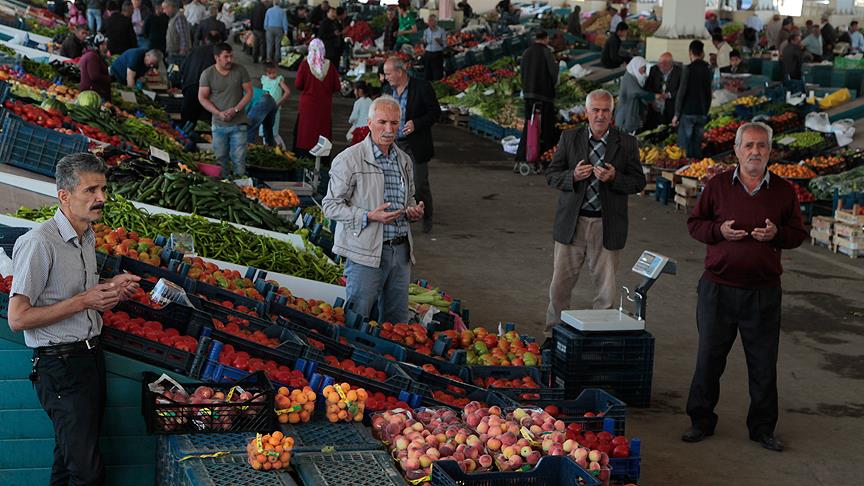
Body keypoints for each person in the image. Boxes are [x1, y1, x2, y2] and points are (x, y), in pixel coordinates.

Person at [8, 152, 140, 486]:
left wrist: (110, 289)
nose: (101, 199)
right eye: (91, 191)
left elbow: (76, 296)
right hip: (60, 366)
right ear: (64, 196)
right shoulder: (39, 243)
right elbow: (18, 318)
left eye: (103, 189)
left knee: (69, 462)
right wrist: (85, 300)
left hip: (88, 358)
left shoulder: (87, 236)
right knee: (87, 471)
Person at [683, 121, 806, 452]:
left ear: (770, 152)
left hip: (763, 292)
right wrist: (719, 231)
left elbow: (798, 233)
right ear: (736, 150)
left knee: (763, 363)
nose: (755, 151)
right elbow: (695, 224)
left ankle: (763, 428)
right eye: (748, 145)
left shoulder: (783, 191)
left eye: (761, 146)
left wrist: (776, 235)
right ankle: (701, 420)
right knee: (709, 358)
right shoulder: (718, 186)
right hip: (718, 289)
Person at [542, 89, 646, 342]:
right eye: (595, 110)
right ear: (586, 112)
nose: (600, 115)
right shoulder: (570, 138)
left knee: (606, 292)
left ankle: (600, 340)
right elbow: (551, 174)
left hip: (606, 225)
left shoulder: (627, 143)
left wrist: (615, 178)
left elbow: (638, 182)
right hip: (572, 224)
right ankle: (552, 336)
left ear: (612, 113)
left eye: (605, 110)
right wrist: (573, 177)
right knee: (560, 288)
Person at [322, 96, 425, 324]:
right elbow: (330, 206)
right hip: (365, 253)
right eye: (382, 122)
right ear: (369, 123)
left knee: (396, 322)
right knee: (358, 316)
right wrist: (368, 216)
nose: (389, 129)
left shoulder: (404, 160)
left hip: (400, 252)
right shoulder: (349, 160)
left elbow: (408, 198)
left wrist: (412, 211)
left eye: (394, 123)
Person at [383, 56, 440, 234]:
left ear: (400, 72)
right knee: (393, 183)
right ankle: (400, 218)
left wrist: (416, 123)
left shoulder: (421, 87)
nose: (386, 77)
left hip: (416, 144)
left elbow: (435, 113)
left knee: (418, 182)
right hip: (393, 144)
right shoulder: (386, 90)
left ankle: (427, 215)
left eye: (388, 73)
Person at [198, 42, 253, 177]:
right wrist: (218, 113)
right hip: (218, 125)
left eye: (231, 56)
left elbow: (249, 92)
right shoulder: (208, 74)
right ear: (217, 57)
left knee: (239, 160)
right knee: (220, 160)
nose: (230, 60)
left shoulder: (240, 70)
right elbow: (202, 97)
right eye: (226, 57)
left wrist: (236, 109)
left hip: (239, 124)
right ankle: (225, 189)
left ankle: (240, 189)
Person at [516, 30, 558, 165]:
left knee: (530, 124)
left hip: (528, 94)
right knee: (546, 126)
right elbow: (553, 72)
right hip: (544, 95)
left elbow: (521, 73)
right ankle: (545, 156)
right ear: (545, 39)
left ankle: (523, 155)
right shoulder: (546, 52)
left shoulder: (526, 52)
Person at [294, 39, 340, 157]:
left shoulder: (305, 65)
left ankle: (304, 156)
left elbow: (298, 84)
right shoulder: (330, 66)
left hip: (308, 105)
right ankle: (322, 156)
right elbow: (337, 86)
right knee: (322, 130)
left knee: (306, 131)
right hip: (324, 104)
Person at [673, 40, 712, 159]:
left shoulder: (688, 69)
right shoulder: (707, 69)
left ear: (690, 52)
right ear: (702, 53)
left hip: (688, 112)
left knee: (684, 148)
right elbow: (708, 93)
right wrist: (705, 110)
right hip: (701, 112)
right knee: (697, 145)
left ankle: (683, 170)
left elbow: (681, 92)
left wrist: (676, 114)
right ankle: (695, 168)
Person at [616, 57, 664, 135]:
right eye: (642, 69)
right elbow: (635, 92)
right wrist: (654, 96)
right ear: (636, 66)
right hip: (626, 116)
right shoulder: (629, 78)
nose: (644, 71)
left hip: (631, 113)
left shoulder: (634, 76)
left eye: (645, 69)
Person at [180, 31, 217, 128]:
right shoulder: (218, 54)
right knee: (208, 121)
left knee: (187, 119)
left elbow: (183, 68)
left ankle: (185, 138)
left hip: (190, 86)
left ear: (206, 40)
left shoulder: (195, 50)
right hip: (206, 91)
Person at [645, 52, 682, 128]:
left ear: (669, 65)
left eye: (662, 64)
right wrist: (653, 99)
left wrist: (669, 95)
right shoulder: (654, 69)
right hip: (654, 108)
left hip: (671, 108)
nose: (659, 65)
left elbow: (681, 90)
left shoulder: (679, 72)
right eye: (659, 63)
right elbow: (648, 86)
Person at [260, 61, 291, 146]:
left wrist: (279, 102)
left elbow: (287, 91)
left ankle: (282, 150)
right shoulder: (264, 79)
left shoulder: (279, 80)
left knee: (274, 132)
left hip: (274, 108)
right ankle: (266, 149)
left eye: (274, 72)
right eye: (270, 73)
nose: (273, 75)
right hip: (265, 108)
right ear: (266, 73)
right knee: (264, 131)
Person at [79, 33, 112, 100]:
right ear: (96, 45)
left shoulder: (92, 55)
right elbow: (94, 76)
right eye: (103, 44)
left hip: (94, 92)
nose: (105, 47)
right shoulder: (92, 56)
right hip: (92, 93)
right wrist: (110, 79)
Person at [422, 14, 447, 81]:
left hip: (437, 54)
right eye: (429, 21)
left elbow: (445, 45)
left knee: (437, 75)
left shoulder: (441, 31)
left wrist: (440, 42)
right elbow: (424, 44)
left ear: (436, 22)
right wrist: (424, 42)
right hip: (428, 54)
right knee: (427, 75)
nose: (429, 22)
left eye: (431, 20)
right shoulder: (426, 31)